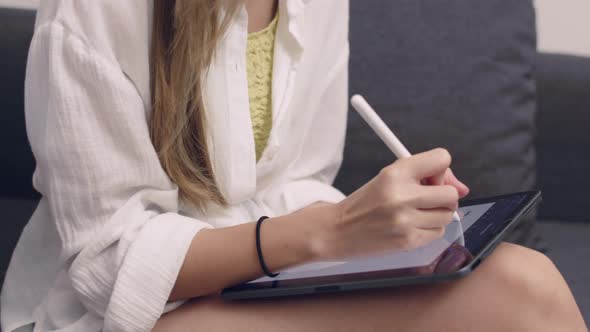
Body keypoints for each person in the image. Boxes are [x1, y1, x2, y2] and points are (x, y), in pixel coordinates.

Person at [1, 1, 587, 331]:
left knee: (525, 282)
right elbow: (108, 264)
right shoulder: (95, 10)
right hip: (130, 308)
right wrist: (330, 231)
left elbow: (298, 178)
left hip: (263, 272)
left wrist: (377, 232)